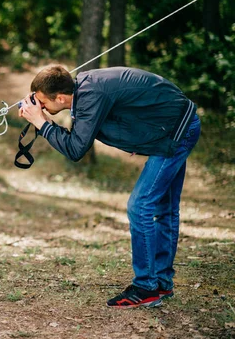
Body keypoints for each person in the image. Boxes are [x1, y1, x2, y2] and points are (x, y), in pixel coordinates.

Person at [19, 65, 200, 309]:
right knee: (164, 208)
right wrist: (42, 118)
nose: (40, 107)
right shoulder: (85, 91)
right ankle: (161, 283)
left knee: (141, 206)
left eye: (41, 102)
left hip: (176, 132)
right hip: (174, 124)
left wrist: (42, 123)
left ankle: (146, 287)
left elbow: (75, 150)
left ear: (60, 98)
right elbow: (80, 138)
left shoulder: (91, 97)